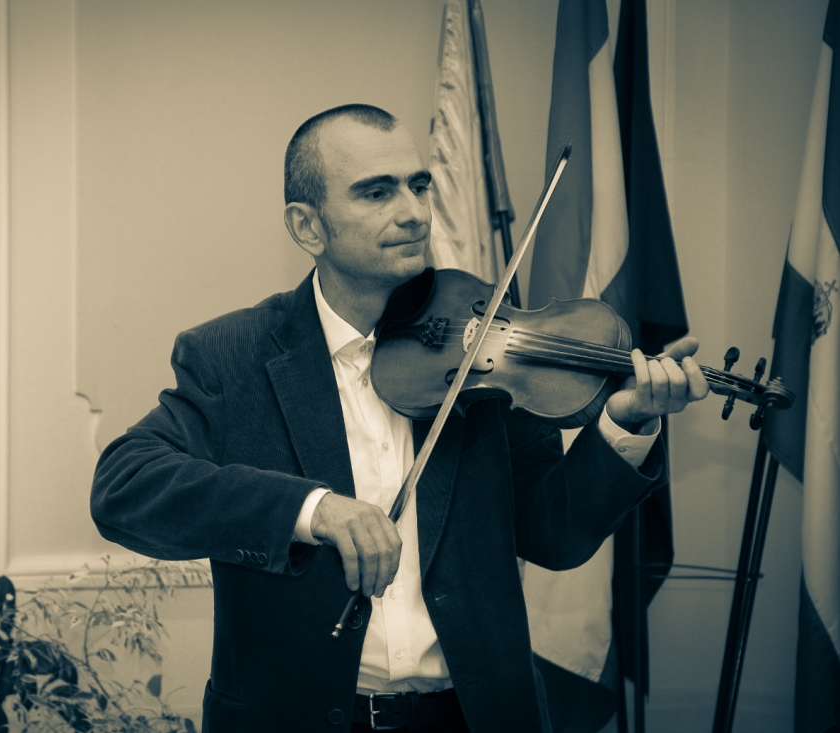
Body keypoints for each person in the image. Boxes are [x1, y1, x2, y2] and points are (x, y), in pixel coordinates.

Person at [90, 104, 708, 733]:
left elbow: (554, 533)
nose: (414, 212)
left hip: (472, 719)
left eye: (419, 185)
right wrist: (313, 510)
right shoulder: (232, 355)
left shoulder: (487, 347)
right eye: (376, 192)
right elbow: (125, 486)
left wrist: (624, 425)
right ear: (307, 226)